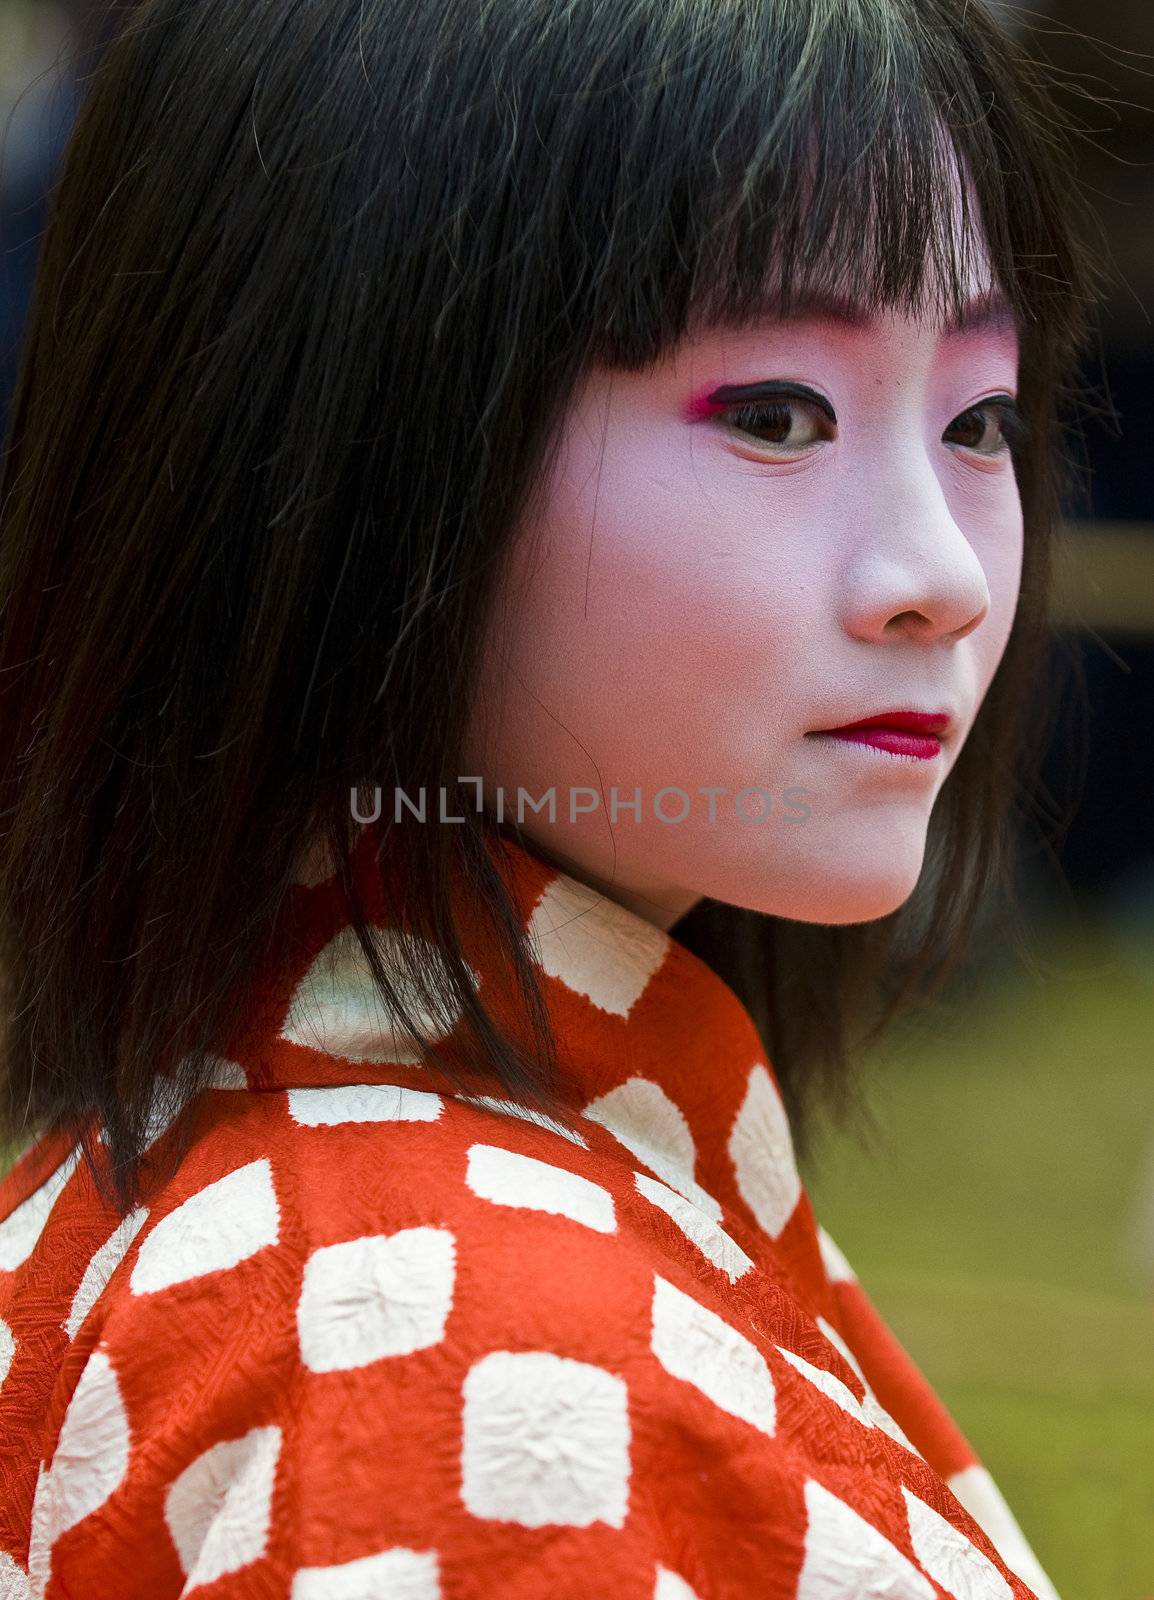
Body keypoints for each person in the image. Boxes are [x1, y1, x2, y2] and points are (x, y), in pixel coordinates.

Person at [0, 0, 1103, 1594]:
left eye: (979, 420)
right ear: (352, 435)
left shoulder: (263, 1182)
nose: (936, 572)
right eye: (777, 413)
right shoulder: (466, 1369)